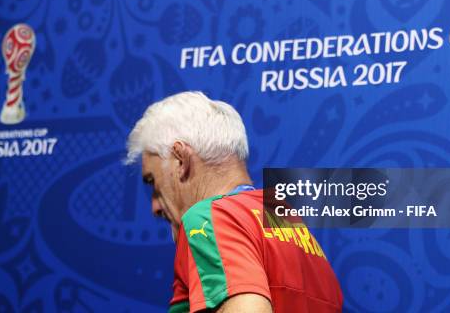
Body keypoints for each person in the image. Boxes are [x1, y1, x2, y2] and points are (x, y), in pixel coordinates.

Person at [125, 91, 343, 313]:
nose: (155, 207)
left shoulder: (209, 219)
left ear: (180, 160)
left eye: (153, 181)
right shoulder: (288, 221)